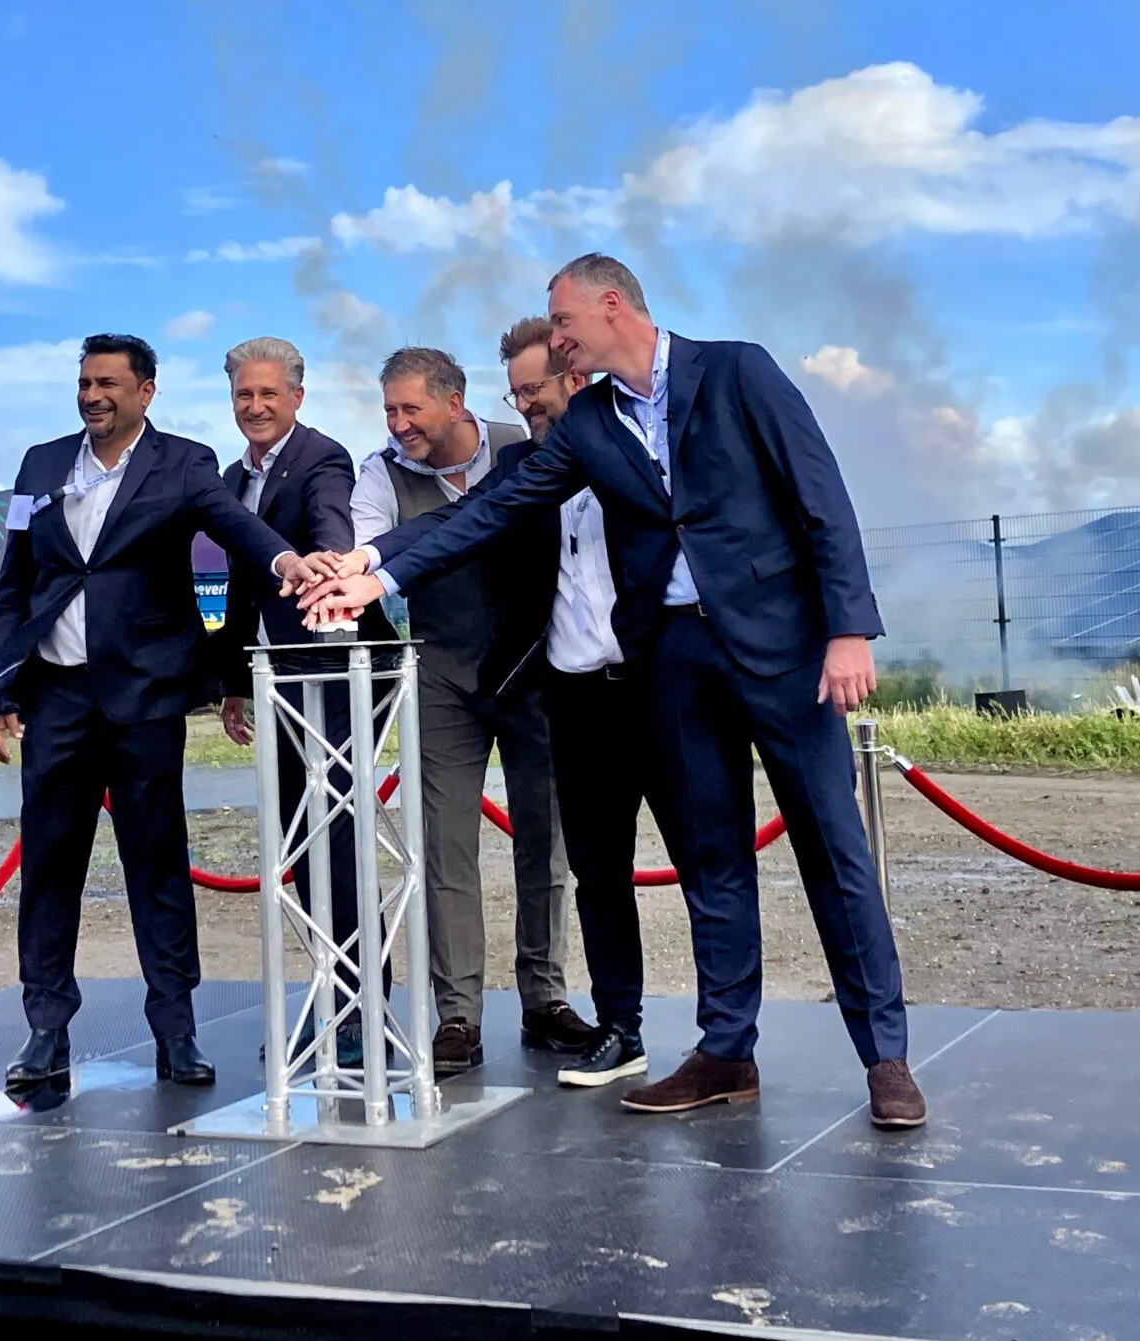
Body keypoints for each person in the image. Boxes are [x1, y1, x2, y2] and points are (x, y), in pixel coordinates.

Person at [304, 256, 924, 1127]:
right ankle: (725, 1050)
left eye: (562, 323)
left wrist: (849, 627)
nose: (556, 339)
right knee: (713, 862)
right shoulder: (589, 420)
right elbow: (496, 505)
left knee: (834, 853)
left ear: (610, 306)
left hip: (784, 654)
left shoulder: (737, 369)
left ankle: (887, 1058)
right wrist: (376, 567)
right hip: (675, 663)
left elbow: (819, 493)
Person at [0, 333, 311, 1093]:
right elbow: (16, 581)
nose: (93, 395)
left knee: (157, 867)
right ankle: (45, 1031)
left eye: (108, 383)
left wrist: (284, 559)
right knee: (50, 869)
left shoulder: (185, 463)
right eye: (84, 383)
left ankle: (176, 1030)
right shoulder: (40, 465)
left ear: (146, 391)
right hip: (57, 698)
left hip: (144, 699)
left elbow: (236, 526)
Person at [349, 346, 590, 1074]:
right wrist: (354, 565)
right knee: (444, 848)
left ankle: (546, 998)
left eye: (410, 409)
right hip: (440, 677)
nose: (398, 425)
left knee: (544, 844)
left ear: (455, 403)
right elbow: (366, 541)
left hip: (533, 673)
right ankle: (457, 1015)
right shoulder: (380, 472)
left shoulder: (527, 450)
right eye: (389, 411)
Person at [495, 315, 683, 1091]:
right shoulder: (520, 466)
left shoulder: (637, 449)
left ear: (572, 379)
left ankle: (727, 1039)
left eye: (532, 390)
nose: (525, 406)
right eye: (513, 394)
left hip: (657, 684)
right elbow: (471, 528)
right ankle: (620, 1028)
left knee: (704, 862)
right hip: (570, 696)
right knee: (598, 872)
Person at [207, 336, 367, 1066]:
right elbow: (241, 581)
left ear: (297, 397)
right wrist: (233, 679)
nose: (256, 406)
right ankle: (328, 991)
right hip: (267, 676)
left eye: (269, 393)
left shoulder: (321, 456)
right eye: (244, 394)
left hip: (327, 674)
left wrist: (330, 561)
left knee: (337, 841)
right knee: (297, 846)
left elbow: (331, 518)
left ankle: (360, 1006)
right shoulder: (230, 473)